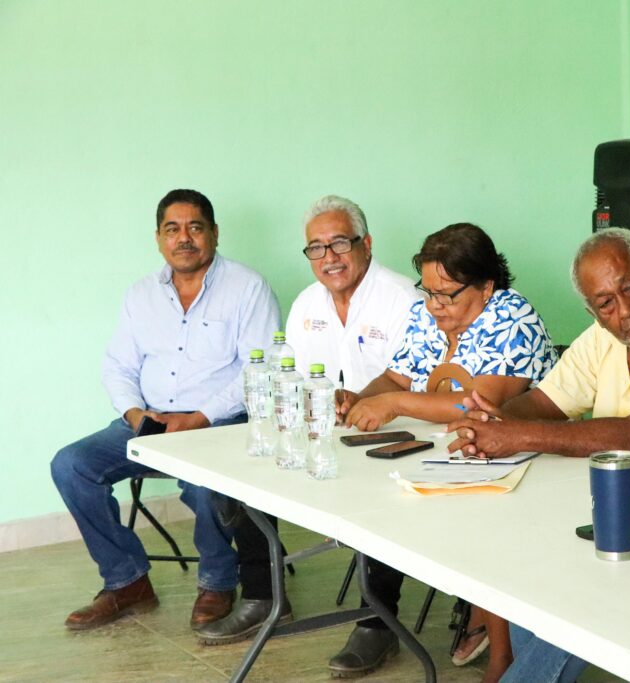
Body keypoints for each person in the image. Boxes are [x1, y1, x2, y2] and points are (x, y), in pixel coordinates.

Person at [446, 227, 630, 683]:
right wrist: (492, 420)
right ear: (593, 311)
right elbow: (545, 403)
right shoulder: (603, 338)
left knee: (573, 601)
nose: (625, 312)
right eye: (606, 303)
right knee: (531, 564)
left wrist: (514, 436)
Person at [194, 196, 419, 673]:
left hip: (394, 435)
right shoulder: (306, 304)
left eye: (339, 242)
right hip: (322, 432)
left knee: (379, 493)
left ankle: (379, 625)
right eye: (315, 248)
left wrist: (359, 403)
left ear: (366, 243)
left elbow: (416, 379)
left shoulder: (404, 298)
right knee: (244, 475)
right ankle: (262, 597)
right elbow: (286, 375)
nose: (329, 257)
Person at [334, 222, 557, 681]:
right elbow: (396, 378)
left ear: (486, 286)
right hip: (438, 452)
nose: (434, 305)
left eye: (447, 295)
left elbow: (480, 403)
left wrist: (393, 405)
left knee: (479, 523)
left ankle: (502, 651)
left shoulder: (513, 315)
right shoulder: (424, 316)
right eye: (428, 291)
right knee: (378, 496)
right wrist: (359, 398)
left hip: (517, 460)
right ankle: (378, 620)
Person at [50, 189, 280, 631]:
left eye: (195, 227)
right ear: (159, 238)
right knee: (71, 465)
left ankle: (217, 580)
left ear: (214, 233)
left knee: (207, 485)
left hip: (218, 421)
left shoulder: (247, 287)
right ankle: (126, 581)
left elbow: (261, 369)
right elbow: (117, 366)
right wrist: (137, 416)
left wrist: (198, 418)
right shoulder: (140, 294)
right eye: (172, 229)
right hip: (148, 420)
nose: (184, 238)